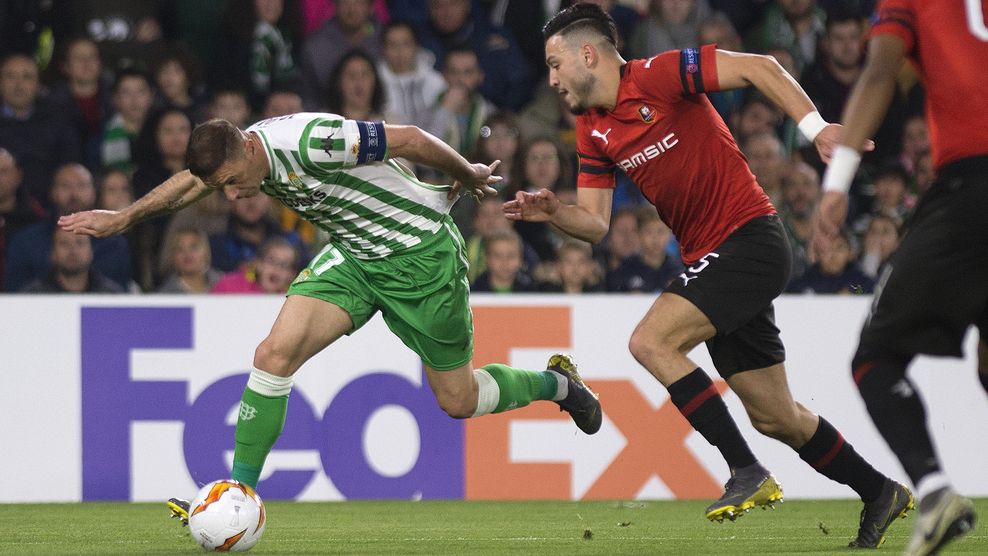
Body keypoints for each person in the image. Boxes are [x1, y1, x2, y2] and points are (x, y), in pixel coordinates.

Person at [58, 112, 602, 519]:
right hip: (353, 258)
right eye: (221, 186)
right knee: (273, 356)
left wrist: (467, 175)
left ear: (249, 147)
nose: (230, 195)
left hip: (419, 259)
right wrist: (124, 217)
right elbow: (192, 181)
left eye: (231, 180)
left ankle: (558, 385)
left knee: (459, 400)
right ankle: (238, 495)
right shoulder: (240, 155)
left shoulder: (314, 141)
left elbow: (409, 138)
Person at [504, 4, 908, 547]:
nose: (550, 79)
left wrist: (815, 131)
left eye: (555, 64)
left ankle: (746, 471)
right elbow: (596, 225)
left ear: (587, 54)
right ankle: (880, 491)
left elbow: (761, 66)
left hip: (751, 239)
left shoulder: (659, 75)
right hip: (712, 261)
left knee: (651, 342)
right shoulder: (591, 129)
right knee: (777, 417)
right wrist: (554, 211)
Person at [813, 1, 987, 553]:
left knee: (874, 357)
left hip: (973, 186)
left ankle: (933, 491)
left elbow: (881, 70)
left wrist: (838, 181)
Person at [20, 228, 124, 294]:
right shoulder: (32, 296)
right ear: (52, 253)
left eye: (80, 243)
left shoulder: (111, 295)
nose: (73, 250)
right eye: (64, 243)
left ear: (91, 251)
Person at [211, 235, 299, 294]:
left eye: (285, 265)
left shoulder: (296, 301)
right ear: (258, 263)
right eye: (271, 261)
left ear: (292, 274)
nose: (277, 269)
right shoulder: (228, 287)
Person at [156, 225, 221, 294]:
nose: (187, 254)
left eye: (193, 247)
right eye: (180, 249)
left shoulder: (223, 282)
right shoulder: (164, 295)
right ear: (173, 256)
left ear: (205, 252)